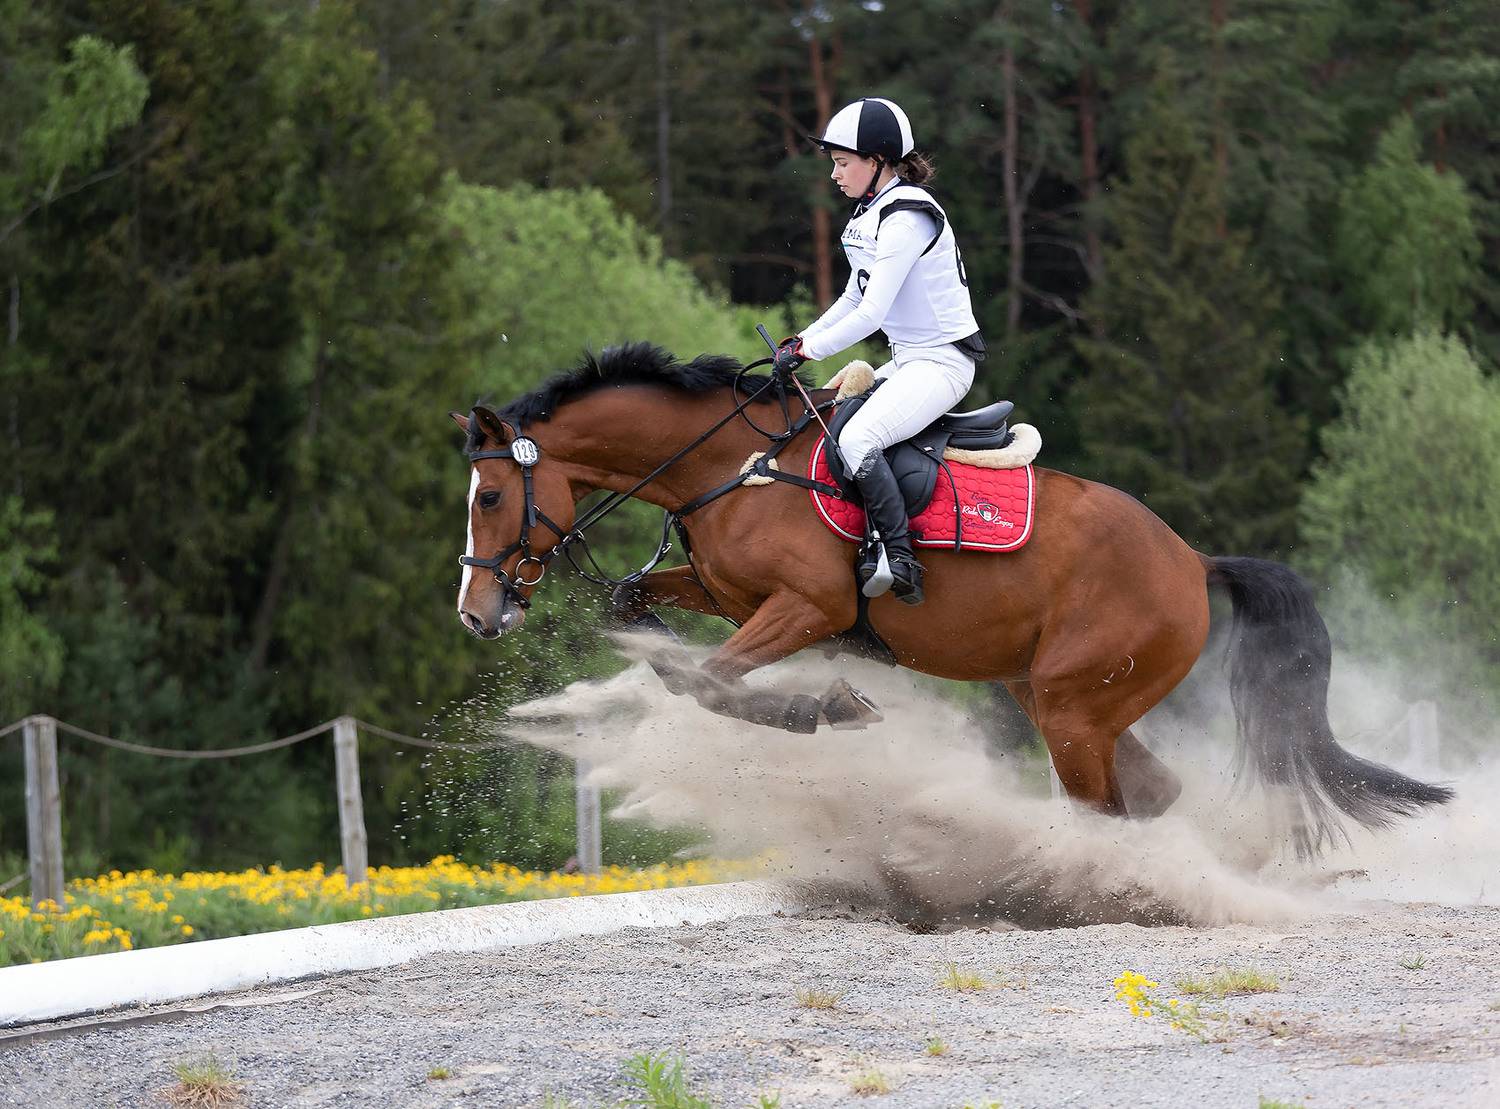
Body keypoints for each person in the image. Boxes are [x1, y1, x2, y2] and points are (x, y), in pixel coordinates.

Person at [771, 97, 983, 607]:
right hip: (910, 359)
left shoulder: (907, 218)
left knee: (860, 438)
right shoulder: (873, 212)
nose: (835, 175)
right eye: (834, 164)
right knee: (831, 419)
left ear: (880, 161)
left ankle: (899, 556)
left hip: (942, 363)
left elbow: (869, 316)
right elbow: (851, 297)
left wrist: (808, 352)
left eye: (844, 163)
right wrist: (800, 340)